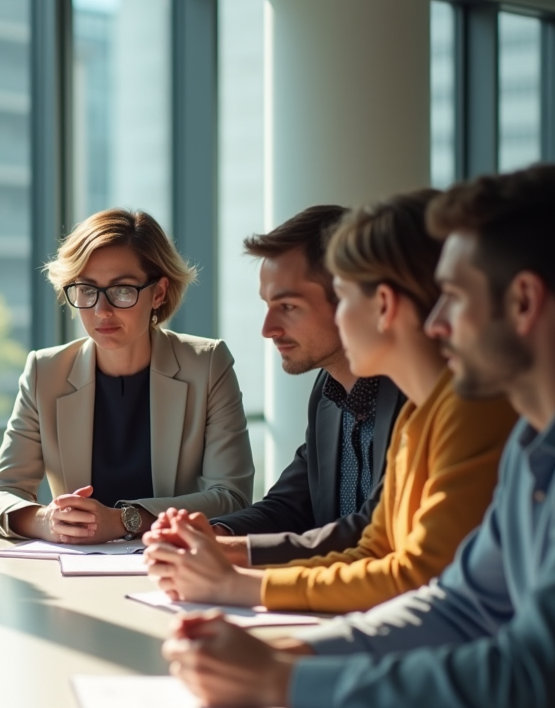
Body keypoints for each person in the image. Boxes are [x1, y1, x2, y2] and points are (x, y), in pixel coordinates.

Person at [162, 163, 555, 708]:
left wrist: (285, 681)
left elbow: (530, 682)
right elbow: (457, 604)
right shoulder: (535, 437)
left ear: (524, 302)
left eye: (455, 296)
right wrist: (280, 652)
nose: (436, 320)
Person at [147, 189, 517, 614]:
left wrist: (239, 584)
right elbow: (364, 541)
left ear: (383, 305)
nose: (267, 329)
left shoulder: (451, 406)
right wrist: (218, 543)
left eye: (289, 305)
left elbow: (405, 569)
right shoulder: (408, 410)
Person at [0, 208, 254, 543]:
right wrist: (46, 520)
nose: (101, 310)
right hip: (73, 572)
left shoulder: (208, 365)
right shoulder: (45, 371)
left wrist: (125, 520)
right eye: (86, 289)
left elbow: (232, 497)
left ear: (159, 292)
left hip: (175, 563)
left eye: (122, 290)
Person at [157, 205, 407, 567]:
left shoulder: (417, 396)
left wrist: (233, 553)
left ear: (352, 300)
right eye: (267, 304)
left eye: (288, 306)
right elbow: (289, 506)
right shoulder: (328, 390)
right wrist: (214, 534)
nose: (268, 328)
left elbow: (373, 531)